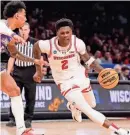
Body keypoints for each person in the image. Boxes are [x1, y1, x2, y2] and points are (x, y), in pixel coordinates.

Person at [33, 18, 130, 135]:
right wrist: (38, 70)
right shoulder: (48, 45)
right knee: (88, 110)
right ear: (57, 33)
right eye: (62, 33)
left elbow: (89, 60)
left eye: (67, 32)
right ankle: (118, 131)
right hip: (64, 82)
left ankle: (73, 106)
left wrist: (104, 72)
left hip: (80, 76)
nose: (65, 36)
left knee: (92, 104)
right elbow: (36, 47)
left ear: (71, 32)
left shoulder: (77, 43)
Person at [0, 1, 46, 135]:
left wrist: (34, 60)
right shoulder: (3, 25)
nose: (26, 18)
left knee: (15, 91)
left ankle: (22, 130)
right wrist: (13, 35)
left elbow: (15, 54)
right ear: (16, 16)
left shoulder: (10, 36)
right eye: (24, 15)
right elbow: (2, 29)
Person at [6, 22, 39, 128]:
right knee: (15, 96)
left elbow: (39, 59)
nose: (23, 31)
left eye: (25, 29)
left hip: (30, 71)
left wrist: (39, 73)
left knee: (30, 97)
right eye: (21, 29)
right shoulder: (14, 42)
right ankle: (13, 118)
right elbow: (12, 58)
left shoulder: (35, 43)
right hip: (17, 71)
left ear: (29, 30)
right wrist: (7, 73)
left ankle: (28, 119)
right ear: (18, 30)